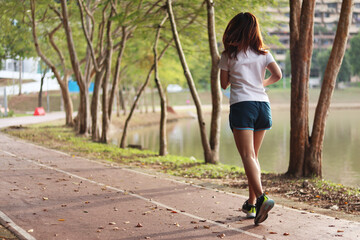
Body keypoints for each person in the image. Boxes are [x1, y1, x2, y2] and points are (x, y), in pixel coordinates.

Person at [218, 12, 282, 225]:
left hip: (242, 106)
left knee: (247, 156)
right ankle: (252, 204)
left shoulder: (229, 55)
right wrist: (259, 84)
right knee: (253, 157)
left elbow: (224, 84)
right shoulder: (264, 54)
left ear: (234, 29)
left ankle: (263, 198)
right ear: (255, 31)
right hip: (263, 106)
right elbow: (278, 75)